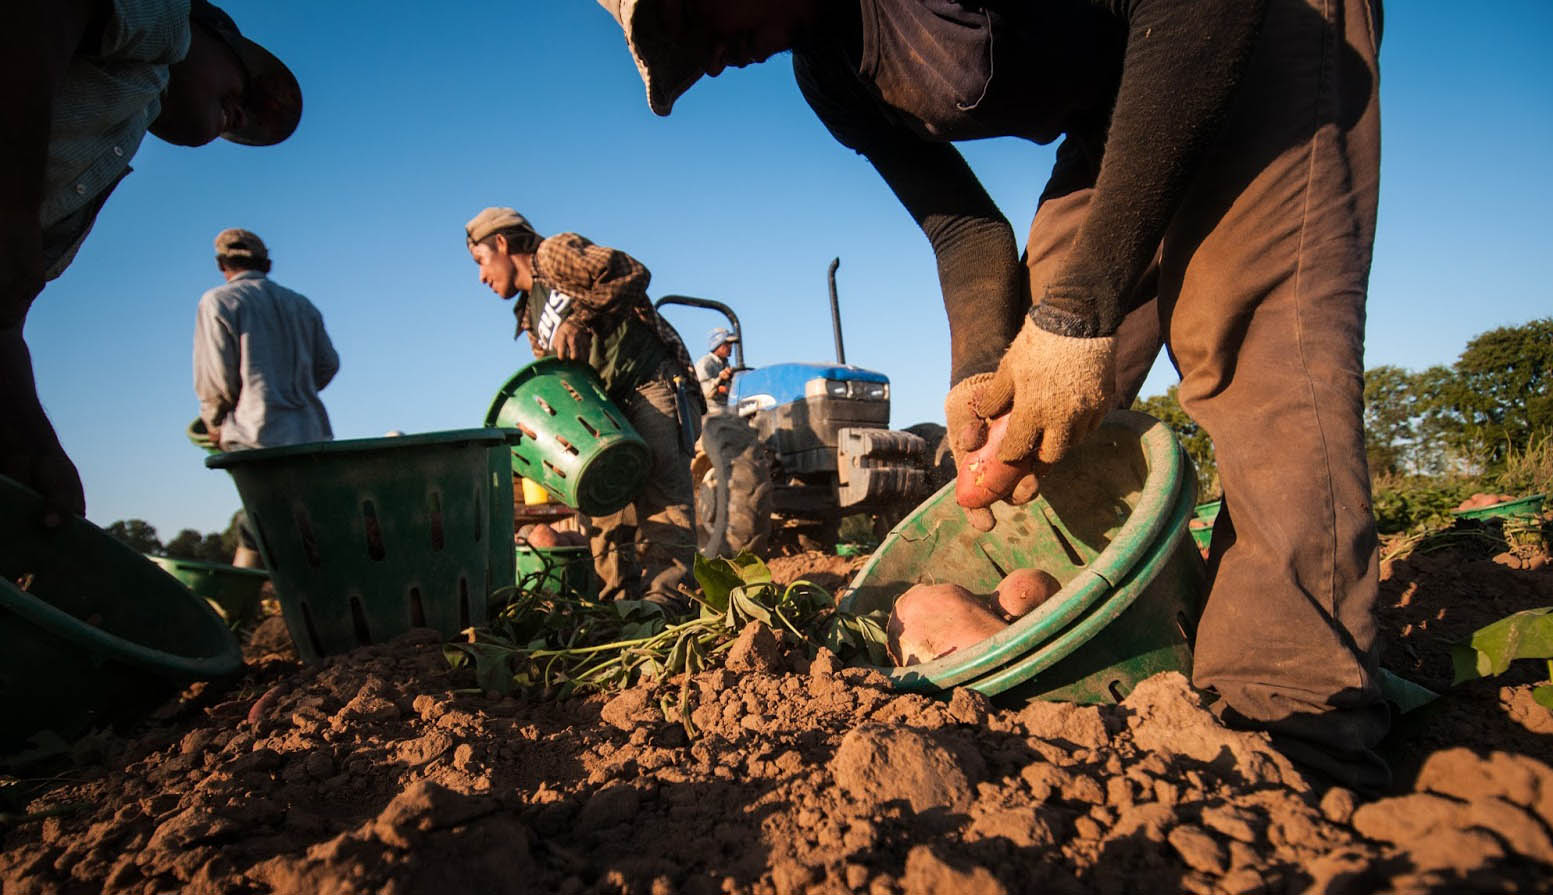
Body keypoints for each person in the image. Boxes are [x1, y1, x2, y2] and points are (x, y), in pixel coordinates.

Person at [598, 0, 1390, 789]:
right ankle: (1100, 640)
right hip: (1121, 96)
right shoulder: (831, 75)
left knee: (1248, 339)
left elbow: (1203, 13)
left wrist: (1079, 311)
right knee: (1035, 404)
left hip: (1253, 24)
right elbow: (965, 230)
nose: (704, 62)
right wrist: (979, 368)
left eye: (686, 19)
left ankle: (1294, 722)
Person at [1, 0, 302, 525]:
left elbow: (5, 309)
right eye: (242, 82)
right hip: (302, 435)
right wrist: (13, 206)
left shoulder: (108, 154)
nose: (245, 109)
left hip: (255, 436)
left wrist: (32, 437)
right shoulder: (168, 25)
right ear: (207, 36)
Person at [464, 207, 703, 607]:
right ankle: (619, 609)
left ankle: (668, 605)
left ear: (502, 243)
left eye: (481, 261)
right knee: (601, 511)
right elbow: (561, 382)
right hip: (606, 410)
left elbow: (632, 272)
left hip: (649, 381)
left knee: (663, 502)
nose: (482, 277)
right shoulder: (529, 316)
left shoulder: (553, 255)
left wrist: (581, 318)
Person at [194, 228, 338, 567]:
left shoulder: (219, 301)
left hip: (255, 433)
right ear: (266, 263)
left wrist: (213, 422)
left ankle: (240, 606)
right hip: (310, 434)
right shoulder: (300, 305)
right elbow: (328, 365)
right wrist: (297, 388)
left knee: (260, 519)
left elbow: (217, 382)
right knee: (301, 517)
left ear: (222, 265)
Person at [696, 327, 737, 406]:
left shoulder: (725, 365)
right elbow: (704, 392)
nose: (730, 347)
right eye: (727, 343)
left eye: (731, 344)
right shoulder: (705, 363)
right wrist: (720, 380)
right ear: (717, 344)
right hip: (712, 412)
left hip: (727, 409)